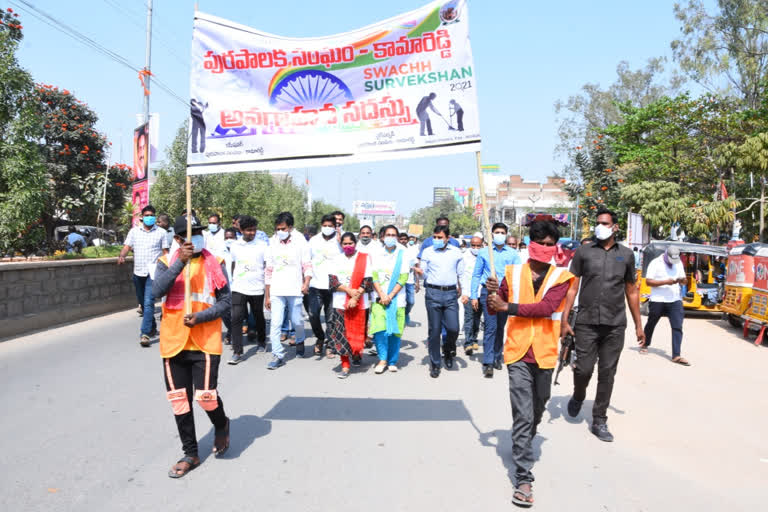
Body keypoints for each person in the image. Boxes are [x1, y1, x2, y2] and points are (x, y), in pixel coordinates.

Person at [485, 220, 575, 508]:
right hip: (517, 352)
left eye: (552, 244)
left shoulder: (561, 277)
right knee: (523, 413)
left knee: (538, 407)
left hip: (546, 352)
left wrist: (506, 306)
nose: (547, 249)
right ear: (530, 243)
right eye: (542, 243)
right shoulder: (511, 274)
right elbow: (493, 306)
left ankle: (523, 439)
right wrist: (492, 295)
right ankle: (523, 478)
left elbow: (547, 308)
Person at [152, 215, 231, 478]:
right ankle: (191, 453)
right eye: (189, 233)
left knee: (205, 397)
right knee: (179, 401)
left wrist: (201, 317)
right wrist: (179, 263)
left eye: (199, 231)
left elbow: (226, 301)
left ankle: (221, 424)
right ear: (177, 239)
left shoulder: (216, 262)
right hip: (173, 342)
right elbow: (156, 292)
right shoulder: (165, 262)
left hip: (205, 340)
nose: (196, 236)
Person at [561, 209, 645, 442]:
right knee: (584, 369)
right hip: (586, 321)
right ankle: (578, 395)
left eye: (605, 223)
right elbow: (572, 288)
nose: (600, 227)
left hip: (615, 323)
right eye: (598, 223)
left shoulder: (627, 255)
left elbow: (631, 290)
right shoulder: (583, 252)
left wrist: (639, 325)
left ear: (615, 227)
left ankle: (599, 419)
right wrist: (565, 319)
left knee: (608, 372)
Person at [470, 222, 522, 378]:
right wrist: (474, 295)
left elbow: (518, 276)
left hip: (506, 294)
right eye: (497, 232)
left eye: (502, 232)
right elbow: (476, 274)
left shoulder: (513, 254)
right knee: (490, 327)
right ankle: (488, 361)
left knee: (500, 327)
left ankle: (498, 355)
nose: (499, 234)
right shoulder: (485, 252)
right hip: (489, 292)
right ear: (492, 234)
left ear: (506, 234)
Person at [265, 212, 312, 369]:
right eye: (278, 228)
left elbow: (307, 265)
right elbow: (269, 270)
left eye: (283, 228)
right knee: (276, 323)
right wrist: (267, 295)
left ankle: (299, 340)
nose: (280, 231)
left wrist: (306, 283)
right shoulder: (272, 243)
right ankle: (277, 354)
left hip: (295, 288)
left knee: (297, 320)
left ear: (290, 228)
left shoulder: (300, 243)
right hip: (277, 290)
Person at [416, 224, 464, 378]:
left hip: (450, 294)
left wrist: (466, 292)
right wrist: (419, 273)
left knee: (454, 328)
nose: (436, 240)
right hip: (432, 293)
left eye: (439, 237)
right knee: (434, 331)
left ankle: (448, 350)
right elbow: (424, 274)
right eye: (434, 237)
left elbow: (462, 274)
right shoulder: (427, 252)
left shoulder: (456, 252)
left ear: (447, 238)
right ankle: (435, 363)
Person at [118, 204, 169, 347]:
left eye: (151, 215)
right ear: (141, 217)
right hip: (138, 271)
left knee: (148, 302)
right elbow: (127, 246)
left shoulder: (161, 233)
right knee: (142, 301)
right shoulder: (134, 232)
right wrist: (122, 255)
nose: (149, 218)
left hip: (153, 273)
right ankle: (151, 325)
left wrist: (169, 268)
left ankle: (145, 333)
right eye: (146, 215)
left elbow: (165, 252)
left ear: (155, 217)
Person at [327, 232, 374, 378]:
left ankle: (356, 353)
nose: (348, 246)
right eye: (345, 244)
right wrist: (348, 291)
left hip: (360, 303)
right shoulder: (336, 259)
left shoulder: (364, 258)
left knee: (358, 332)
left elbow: (367, 281)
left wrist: (356, 297)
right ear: (341, 245)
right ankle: (345, 365)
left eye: (350, 243)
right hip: (341, 302)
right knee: (342, 334)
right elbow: (333, 281)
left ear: (355, 243)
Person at [227, 215, 268, 365]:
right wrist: (235, 280)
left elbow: (266, 266)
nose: (252, 233)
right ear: (241, 230)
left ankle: (262, 341)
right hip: (239, 287)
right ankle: (237, 351)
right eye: (249, 230)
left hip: (257, 287)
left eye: (254, 230)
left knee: (258, 316)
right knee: (236, 317)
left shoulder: (262, 245)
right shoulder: (235, 245)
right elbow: (233, 264)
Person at [369, 225, 409, 373]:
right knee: (380, 329)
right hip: (379, 298)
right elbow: (374, 275)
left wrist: (390, 296)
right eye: (388, 234)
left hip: (397, 299)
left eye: (393, 235)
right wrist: (382, 295)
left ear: (397, 238)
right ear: (382, 237)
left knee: (395, 331)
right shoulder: (375, 253)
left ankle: (392, 360)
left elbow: (404, 276)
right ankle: (382, 359)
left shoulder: (403, 253)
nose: (391, 237)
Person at [641, 246, 690, 365]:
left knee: (677, 326)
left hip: (674, 299)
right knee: (651, 322)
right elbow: (649, 281)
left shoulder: (678, 263)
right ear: (666, 254)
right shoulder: (655, 263)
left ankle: (676, 355)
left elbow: (685, 280)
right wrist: (666, 282)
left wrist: (682, 280)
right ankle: (645, 343)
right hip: (658, 299)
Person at [308, 214, 342, 356]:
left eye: (330, 226)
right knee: (312, 314)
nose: (327, 228)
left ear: (336, 227)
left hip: (333, 285)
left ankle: (329, 344)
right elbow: (307, 260)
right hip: (315, 284)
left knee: (330, 318)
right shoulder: (314, 240)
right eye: (325, 226)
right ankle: (320, 337)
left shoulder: (340, 241)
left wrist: (340, 242)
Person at [461, 234, 483, 356]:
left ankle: (474, 338)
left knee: (477, 318)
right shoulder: (464, 257)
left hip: (481, 293)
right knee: (469, 317)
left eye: (478, 246)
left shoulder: (485, 256)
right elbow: (462, 276)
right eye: (473, 245)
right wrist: (464, 293)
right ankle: (468, 343)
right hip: (468, 293)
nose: (475, 248)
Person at [399, 231, 420, 325]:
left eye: (405, 239)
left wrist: (417, 281)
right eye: (401, 239)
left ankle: (406, 313)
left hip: (409, 281)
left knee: (411, 301)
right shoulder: (396, 251)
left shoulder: (411, 251)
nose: (403, 241)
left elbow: (416, 266)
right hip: (398, 281)